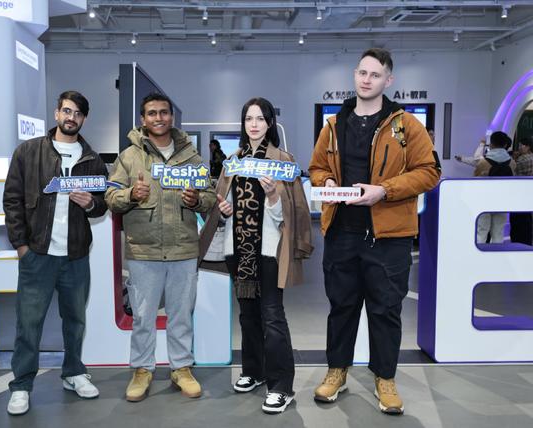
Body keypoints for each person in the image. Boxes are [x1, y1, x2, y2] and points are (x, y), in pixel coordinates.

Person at [308, 48, 440, 415]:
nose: (366, 80)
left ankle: (385, 378)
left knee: (386, 311)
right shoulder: (334, 125)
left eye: (375, 74)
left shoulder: (405, 125)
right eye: (362, 73)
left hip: (389, 237)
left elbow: (430, 171)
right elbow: (316, 167)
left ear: (388, 80)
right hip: (341, 233)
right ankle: (337, 372)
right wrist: (327, 180)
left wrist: (385, 190)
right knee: (342, 307)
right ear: (355, 75)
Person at [200, 97, 313, 414]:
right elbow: (221, 207)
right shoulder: (233, 161)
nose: (254, 124)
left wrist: (274, 195)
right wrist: (224, 210)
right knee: (247, 315)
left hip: (269, 250)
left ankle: (281, 387)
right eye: (249, 118)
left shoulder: (282, 162)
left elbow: (290, 215)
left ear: (269, 123)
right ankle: (254, 370)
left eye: (260, 118)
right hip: (238, 250)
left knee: (272, 316)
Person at [3, 91, 108, 415]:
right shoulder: (29, 152)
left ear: (84, 119)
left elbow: (102, 204)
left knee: (75, 320)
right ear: (56, 113)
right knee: (29, 323)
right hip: (37, 253)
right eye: (66, 111)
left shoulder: (92, 159)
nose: (71, 117)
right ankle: (21, 385)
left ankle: (73, 372)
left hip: (75, 255)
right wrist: (21, 246)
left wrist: (90, 204)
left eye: (77, 113)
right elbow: (12, 200)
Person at [106, 93, 216, 402]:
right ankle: (142, 369)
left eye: (164, 112)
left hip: (183, 250)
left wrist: (197, 200)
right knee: (143, 316)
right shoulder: (129, 157)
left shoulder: (191, 157)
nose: (158, 118)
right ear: (143, 119)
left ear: (172, 117)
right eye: (152, 113)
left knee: (181, 314)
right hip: (144, 250)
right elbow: (110, 197)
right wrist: (131, 194)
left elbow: (210, 197)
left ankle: (181, 368)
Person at [474, 131, 516, 244]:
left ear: (491, 144)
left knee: (481, 232)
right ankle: (497, 254)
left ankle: (479, 255)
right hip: (502, 201)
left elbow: (475, 181)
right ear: (505, 144)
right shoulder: (512, 162)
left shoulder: (482, 162)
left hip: (483, 201)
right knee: (498, 233)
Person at [510, 136, 533, 244]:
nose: (519, 147)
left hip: (519, 192)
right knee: (527, 218)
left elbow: (513, 172)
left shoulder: (522, 159)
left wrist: (514, 158)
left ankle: (518, 241)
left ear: (528, 147)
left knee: (518, 220)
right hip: (529, 192)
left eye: (521, 145)